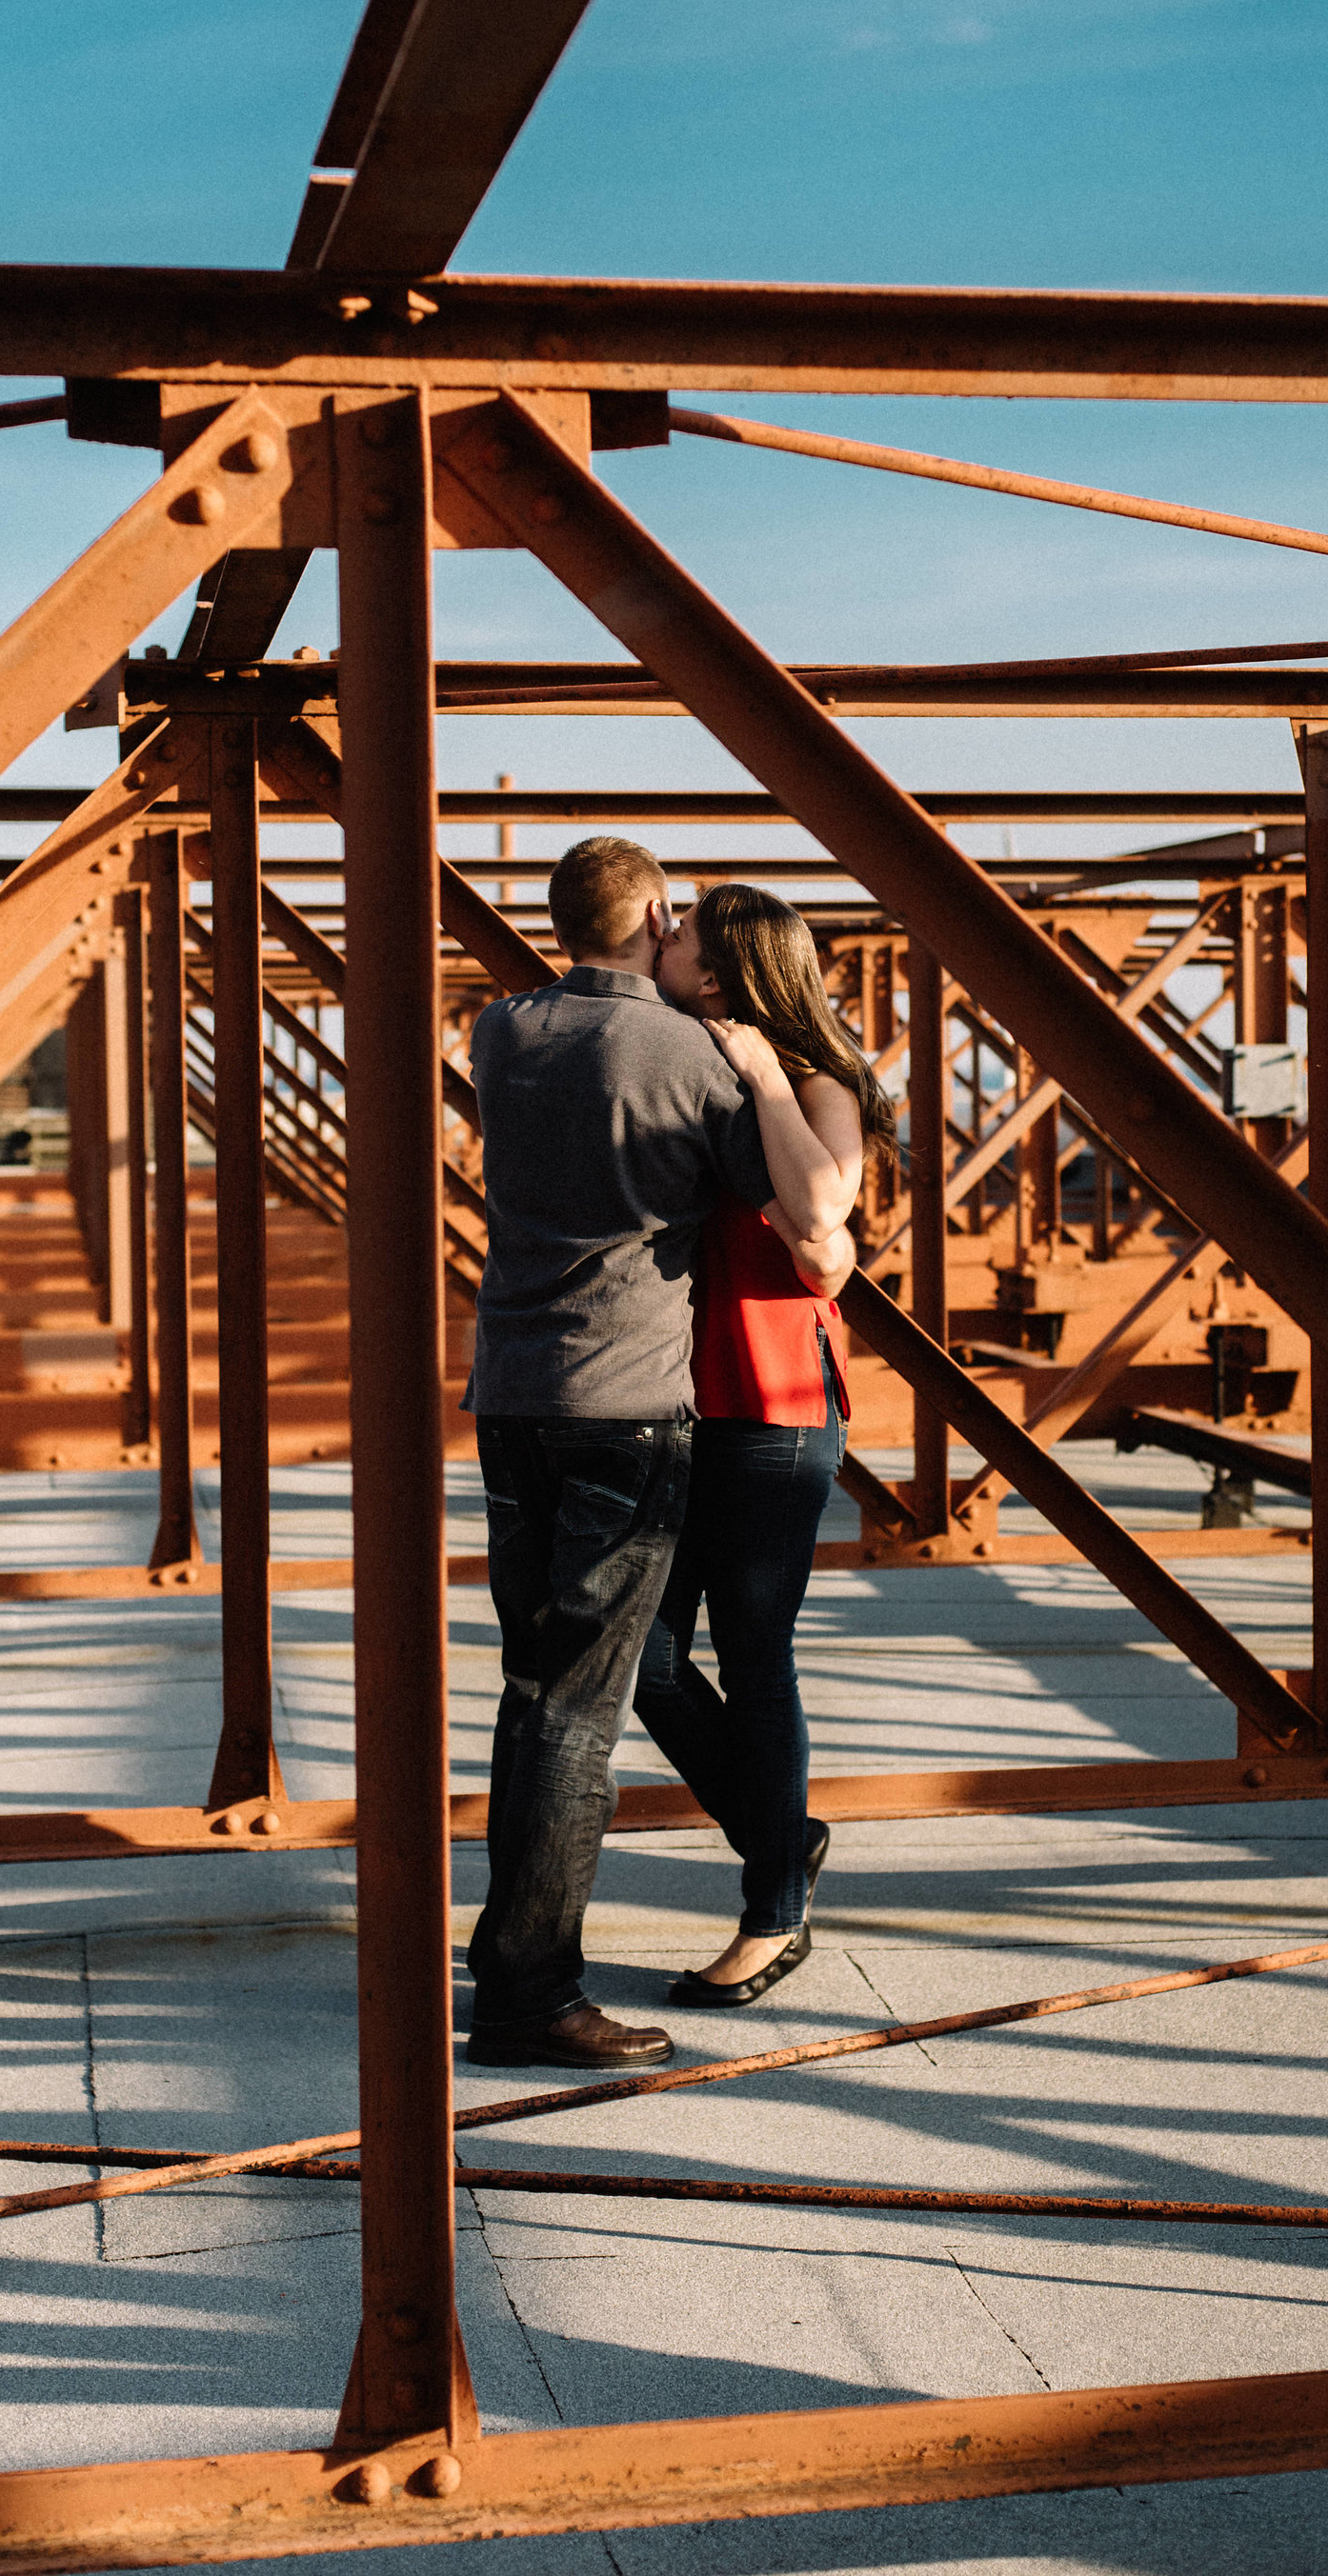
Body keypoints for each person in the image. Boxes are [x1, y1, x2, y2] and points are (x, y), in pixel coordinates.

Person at [463, 839, 851, 2073]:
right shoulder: (694, 1062)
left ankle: (537, 1957)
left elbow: (824, 1234)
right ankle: (532, 1986)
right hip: (630, 1402)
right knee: (583, 1702)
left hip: (519, 1395)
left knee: (542, 1687)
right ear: (655, 916)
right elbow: (805, 1217)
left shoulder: (499, 1031)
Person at [638, 882, 896, 2006]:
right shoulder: (669, 1061)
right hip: (671, 1404)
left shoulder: (812, 1082)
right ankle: (777, 1833)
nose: (662, 939)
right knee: (640, 1657)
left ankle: (773, 1912)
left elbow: (826, 1219)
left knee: (753, 1654)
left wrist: (758, 1073)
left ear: (722, 972)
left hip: (776, 1409)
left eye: (680, 933)